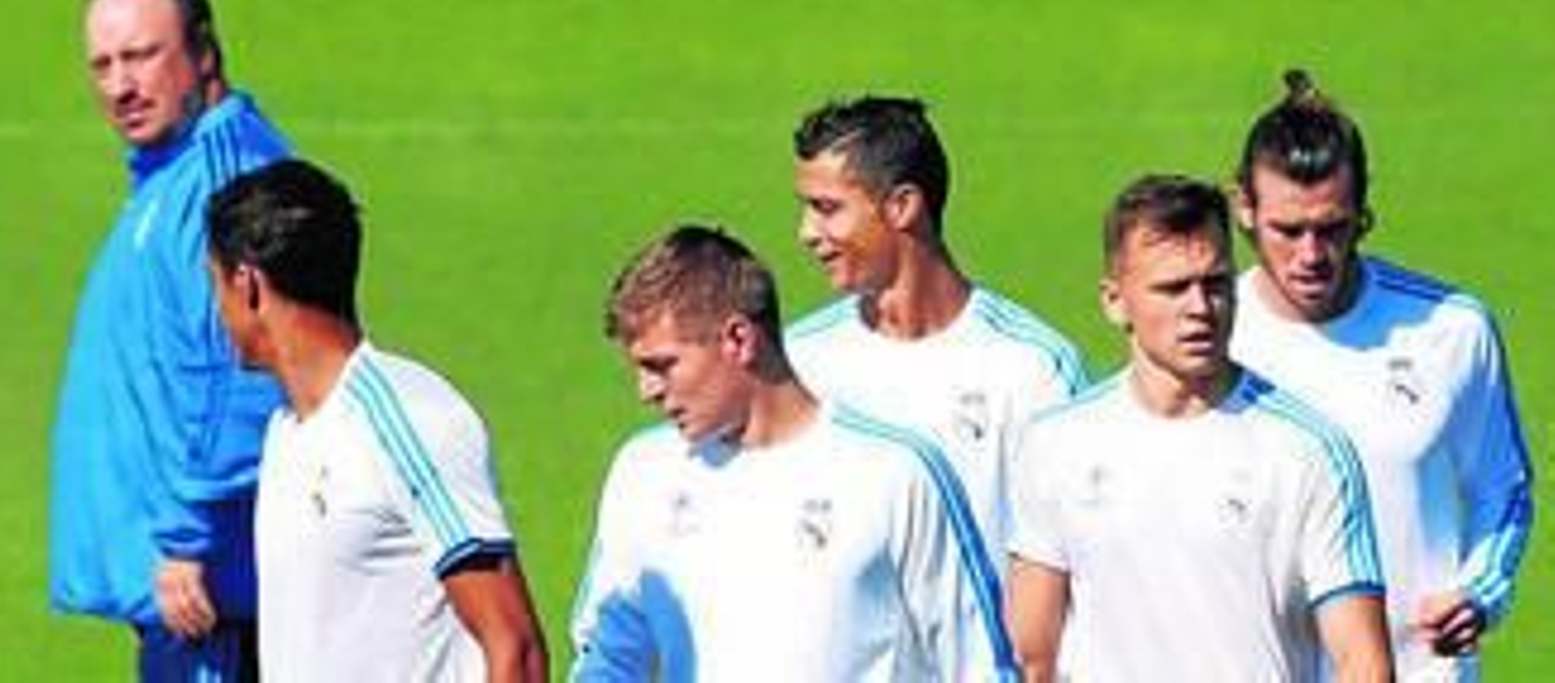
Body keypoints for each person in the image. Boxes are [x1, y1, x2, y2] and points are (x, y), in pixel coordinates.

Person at [570, 225, 1014, 681]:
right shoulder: (643, 473)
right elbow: (609, 657)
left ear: (738, 339)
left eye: (661, 366)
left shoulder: (895, 474)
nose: (647, 391)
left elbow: (977, 663)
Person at [1006, 175, 1393, 682]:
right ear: (1115, 301)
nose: (1200, 308)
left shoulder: (1308, 451)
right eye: (1173, 288)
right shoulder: (1056, 444)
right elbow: (1033, 656)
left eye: (1215, 284)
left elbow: (1364, 663)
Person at [1229, 70, 1534, 680]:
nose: (1311, 255)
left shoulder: (1449, 329)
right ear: (1245, 209)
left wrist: (1479, 591)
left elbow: (1504, 487)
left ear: (1363, 214)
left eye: (1332, 228)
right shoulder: (1212, 338)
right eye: (1288, 230)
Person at [205, 159, 548, 681]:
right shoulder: (286, 433)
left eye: (215, 286)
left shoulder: (409, 417)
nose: (215, 313)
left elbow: (515, 648)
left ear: (248, 285)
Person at [49, 0, 291, 678]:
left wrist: (188, 537)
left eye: (141, 56)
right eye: (102, 65)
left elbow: (247, 371)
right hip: (182, 600)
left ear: (204, 52)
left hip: (206, 597)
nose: (120, 86)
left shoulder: (224, 182)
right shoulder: (172, 175)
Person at [786, 96, 1088, 574]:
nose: (806, 232)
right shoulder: (799, 362)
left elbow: (1081, 553)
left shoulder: (1031, 368)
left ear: (902, 206)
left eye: (827, 208)